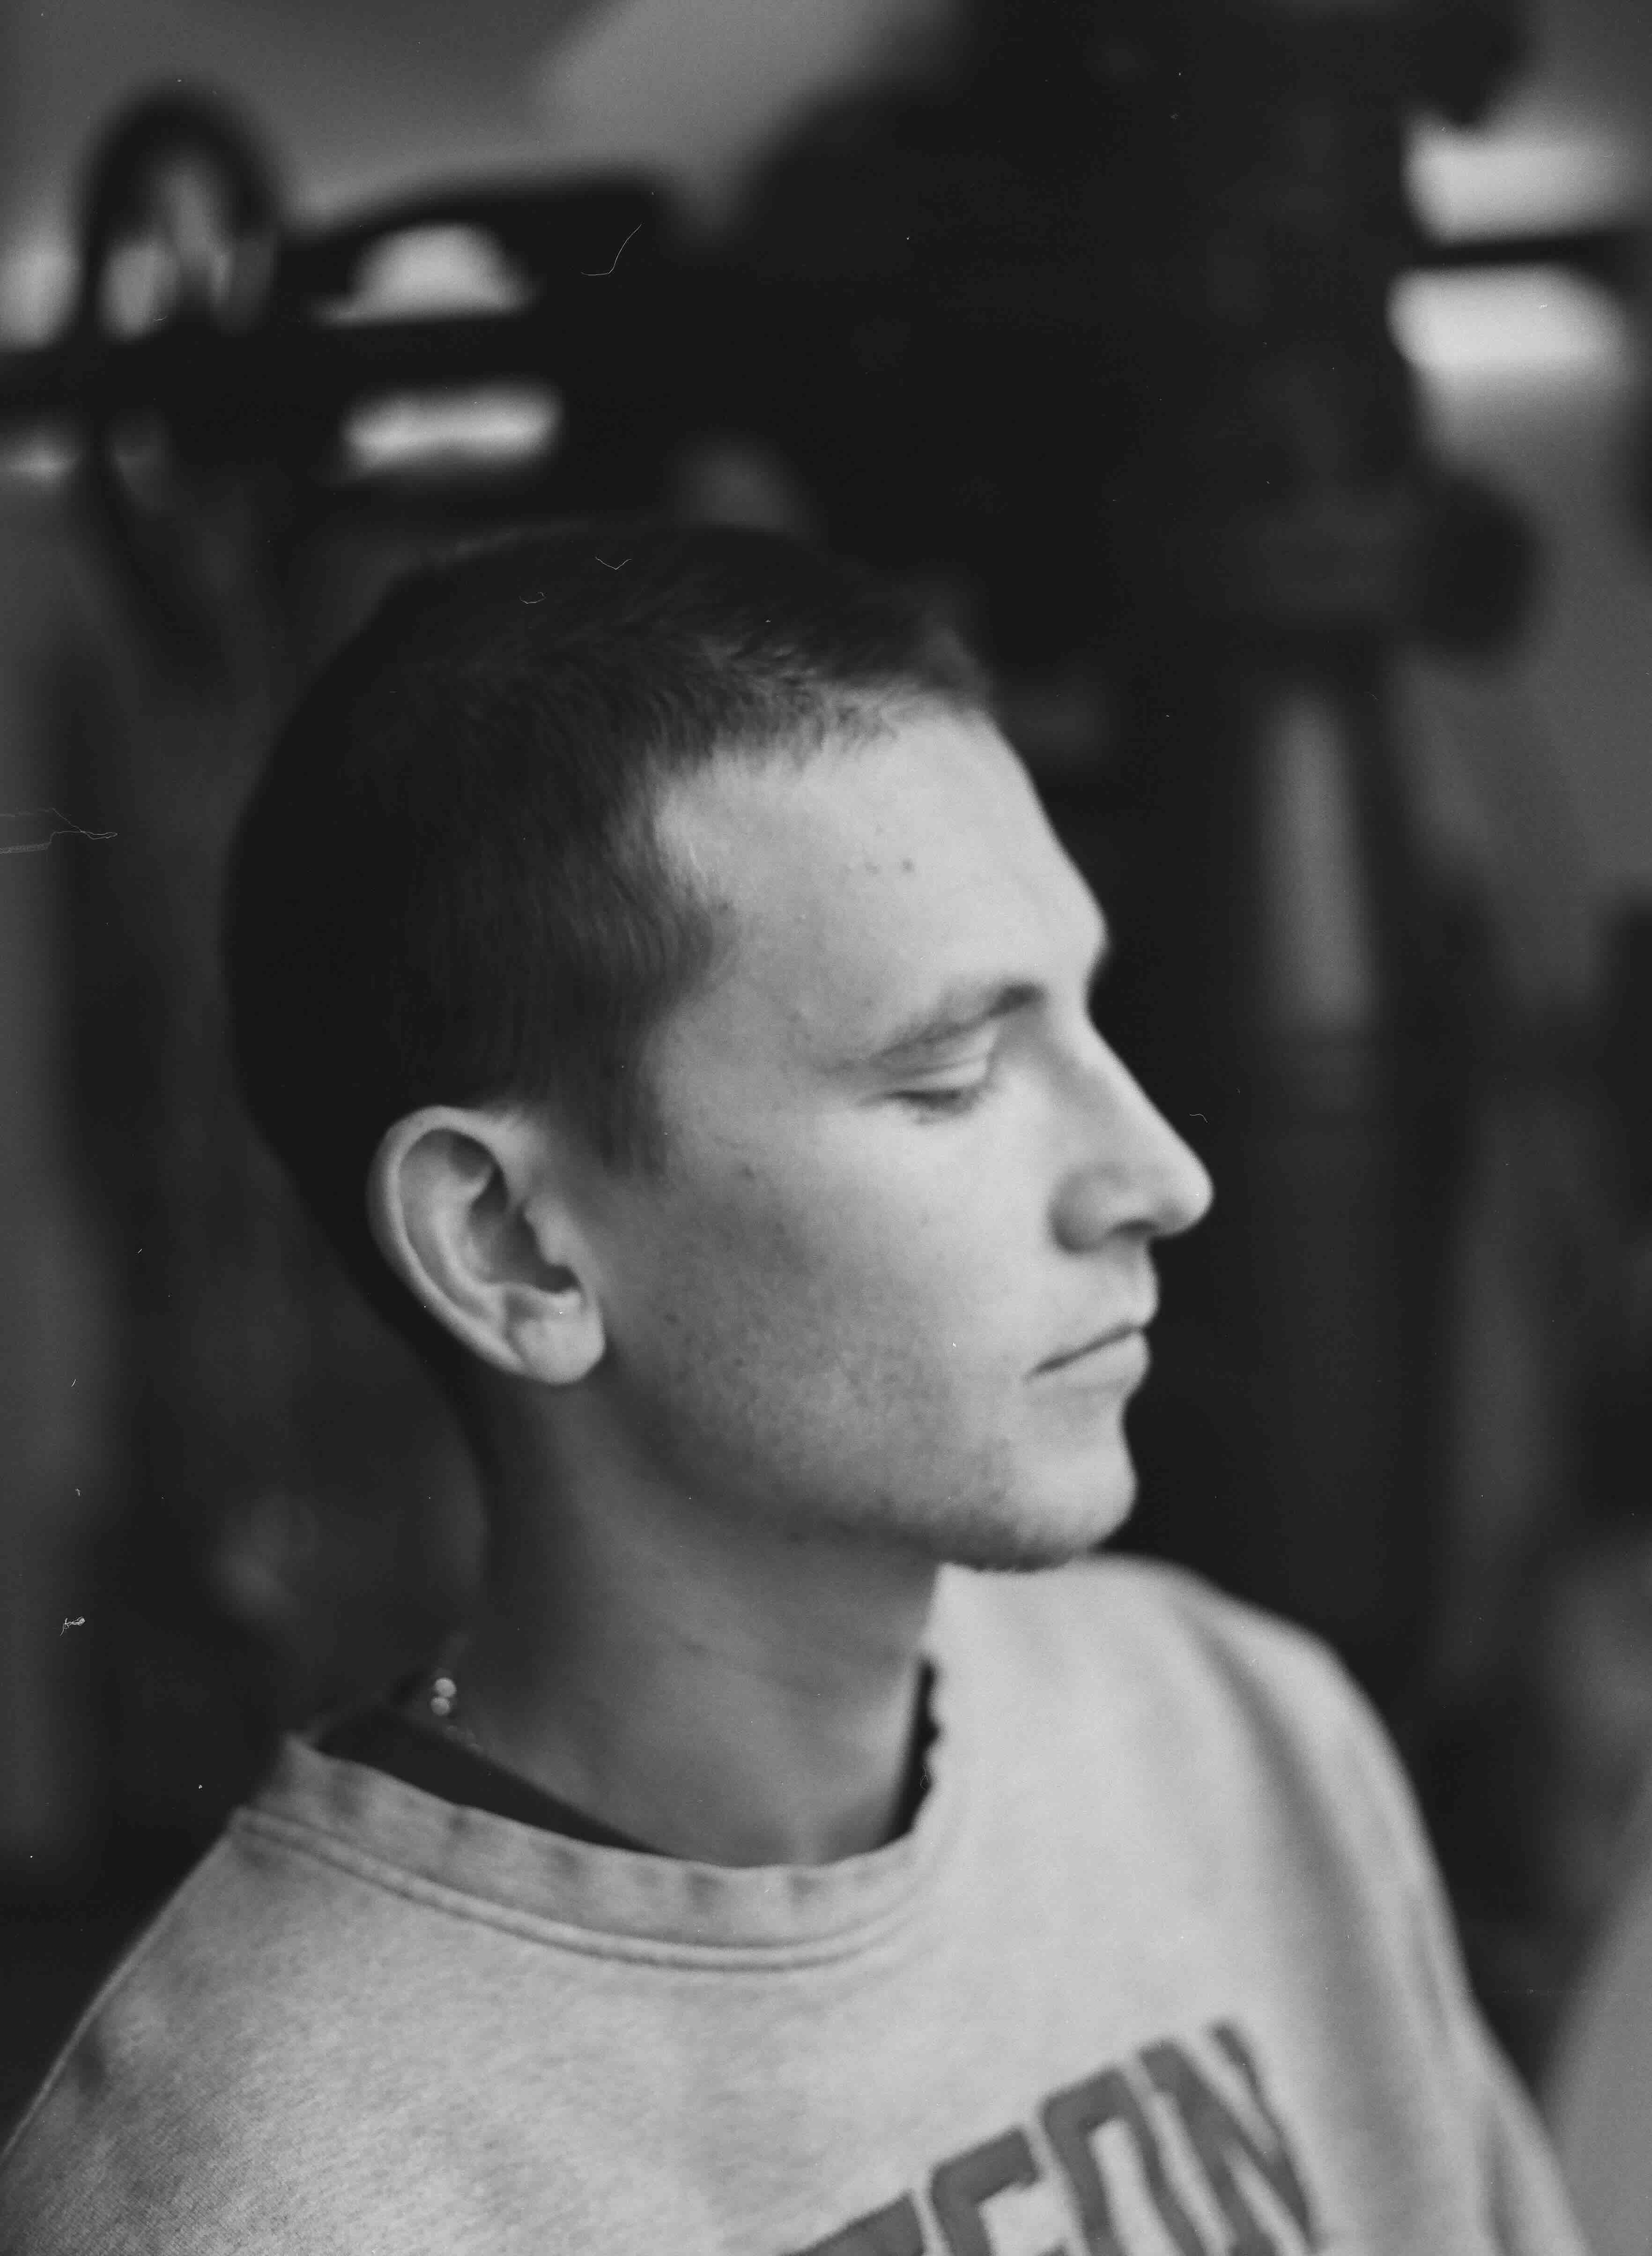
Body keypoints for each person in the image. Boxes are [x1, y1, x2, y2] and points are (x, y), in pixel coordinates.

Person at [0, 522, 1583, 2254]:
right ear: (513, 1247)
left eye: (1093, 1018)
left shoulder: (1237, 1732)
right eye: (952, 1076)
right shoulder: (245, 2192)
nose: (1160, 1175)